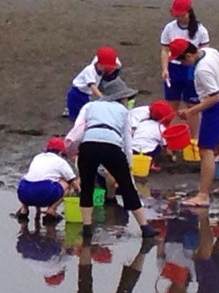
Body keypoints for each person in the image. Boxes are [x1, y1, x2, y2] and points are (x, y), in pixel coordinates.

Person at [64, 95, 159, 239]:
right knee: (127, 186)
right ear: (121, 98)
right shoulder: (123, 110)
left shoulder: (90, 106)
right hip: (112, 145)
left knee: (87, 187)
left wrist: (74, 152)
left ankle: (87, 228)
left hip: (89, 143)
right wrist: (128, 164)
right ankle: (145, 227)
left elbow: (78, 129)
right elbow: (127, 139)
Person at [169, 40, 219, 208]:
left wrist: (191, 111)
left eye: (183, 61)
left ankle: (203, 194)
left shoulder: (202, 70)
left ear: (190, 55)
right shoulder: (211, 51)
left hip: (215, 108)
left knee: (206, 149)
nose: (183, 64)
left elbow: (213, 97)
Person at [162, 0, 210, 147]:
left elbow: (204, 53)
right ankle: (169, 139)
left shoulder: (201, 31)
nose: (179, 18)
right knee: (171, 104)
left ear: (189, 12)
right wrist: (164, 69)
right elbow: (164, 50)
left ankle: (193, 139)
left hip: (192, 69)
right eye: (176, 15)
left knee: (192, 105)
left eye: (181, 15)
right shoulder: (170, 28)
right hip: (174, 67)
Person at [15, 137, 80, 223]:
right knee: (66, 184)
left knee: (31, 181)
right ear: (60, 152)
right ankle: (51, 210)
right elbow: (72, 181)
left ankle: (24, 209)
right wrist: (79, 192)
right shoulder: (60, 161)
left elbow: (36, 177)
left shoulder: (37, 157)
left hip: (23, 192)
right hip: (44, 191)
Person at [67, 47, 120, 119]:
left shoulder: (100, 67)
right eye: (106, 67)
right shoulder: (90, 70)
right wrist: (103, 98)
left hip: (86, 95)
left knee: (85, 114)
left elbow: (117, 64)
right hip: (77, 94)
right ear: (100, 64)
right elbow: (93, 86)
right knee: (78, 118)